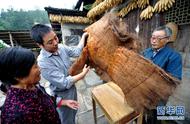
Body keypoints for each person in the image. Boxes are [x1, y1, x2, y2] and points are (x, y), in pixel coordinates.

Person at [30, 24, 90, 124]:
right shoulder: (43, 62)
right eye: (50, 42)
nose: (55, 43)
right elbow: (64, 83)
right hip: (62, 94)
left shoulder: (61, 48)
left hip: (72, 88)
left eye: (55, 38)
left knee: (73, 114)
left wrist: (83, 37)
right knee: (66, 119)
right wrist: (82, 74)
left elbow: (76, 51)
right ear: (40, 45)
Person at [0, 47, 61, 123]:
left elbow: (45, 98)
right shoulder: (16, 115)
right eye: (35, 66)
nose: (39, 69)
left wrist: (61, 102)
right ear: (18, 76)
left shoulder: (32, 85)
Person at [142, 26, 182, 124]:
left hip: (158, 95)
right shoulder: (147, 52)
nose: (154, 41)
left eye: (158, 38)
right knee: (141, 114)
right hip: (143, 91)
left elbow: (174, 79)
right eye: (152, 37)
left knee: (154, 116)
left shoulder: (174, 56)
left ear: (167, 39)